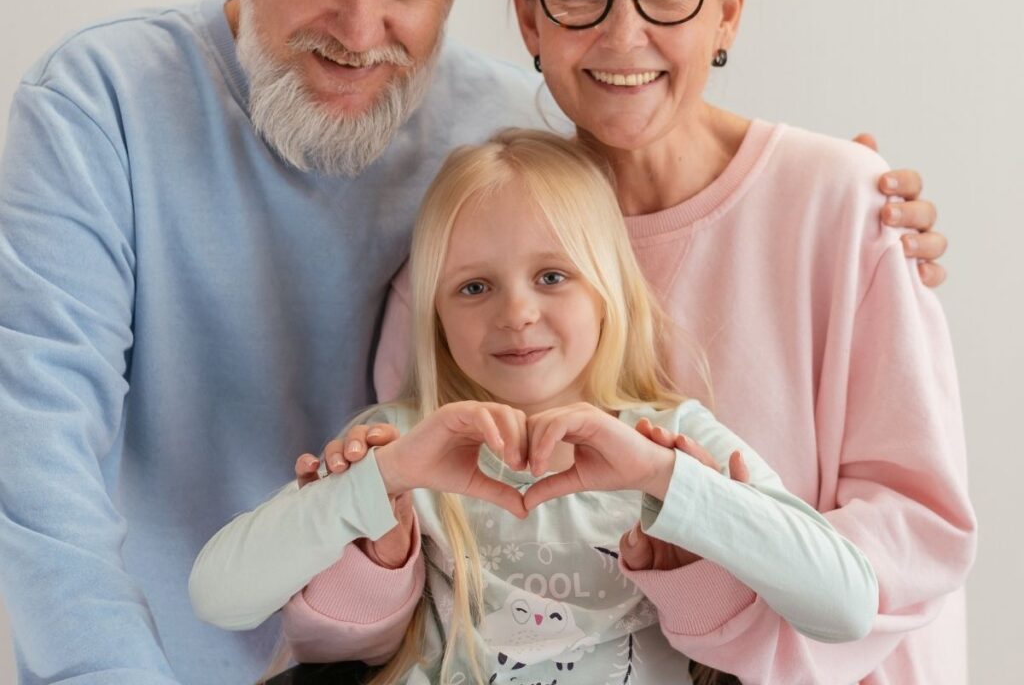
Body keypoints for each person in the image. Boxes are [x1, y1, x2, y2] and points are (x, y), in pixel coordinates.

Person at [0, 0, 945, 685]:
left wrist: (841, 191)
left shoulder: (509, 143)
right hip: (165, 650)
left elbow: (667, 156)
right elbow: (37, 456)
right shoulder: (102, 102)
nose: (358, 27)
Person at [373, 0, 975, 684]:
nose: (624, 34)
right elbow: (419, 539)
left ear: (727, 12)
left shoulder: (844, 200)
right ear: (530, 20)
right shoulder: (476, 236)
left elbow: (918, 524)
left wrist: (723, 632)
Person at [190, 129, 880, 685]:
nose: (517, 313)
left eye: (552, 276)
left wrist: (669, 481)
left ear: (608, 290)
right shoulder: (399, 443)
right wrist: (376, 485)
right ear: (435, 315)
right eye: (474, 287)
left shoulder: (670, 440)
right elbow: (220, 596)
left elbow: (847, 605)